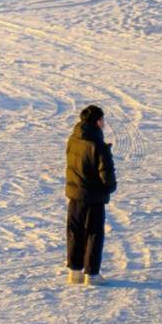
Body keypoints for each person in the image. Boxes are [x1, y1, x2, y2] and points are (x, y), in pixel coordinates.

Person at [65, 104, 117, 285]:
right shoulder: (98, 146)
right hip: (93, 198)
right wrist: (109, 188)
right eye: (103, 120)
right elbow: (107, 177)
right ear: (97, 122)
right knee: (94, 234)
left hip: (75, 195)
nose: (104, 124)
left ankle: (74, 272)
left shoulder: (72, 139)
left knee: (75, 231)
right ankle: (92, 274)